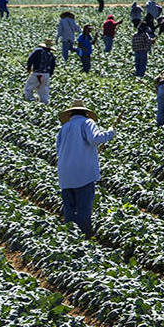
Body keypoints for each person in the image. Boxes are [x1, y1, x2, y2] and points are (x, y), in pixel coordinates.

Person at [55, 101, 116, 236]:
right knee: (83, 208)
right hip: (83, 172)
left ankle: (70, 237)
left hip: (65, 173)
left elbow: (58, 149)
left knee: (69, 208)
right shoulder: (87, 123)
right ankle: (84, 238)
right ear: (86, 113)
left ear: (71, 114)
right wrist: (110, 133)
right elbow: (95, 138)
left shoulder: (64, 128)